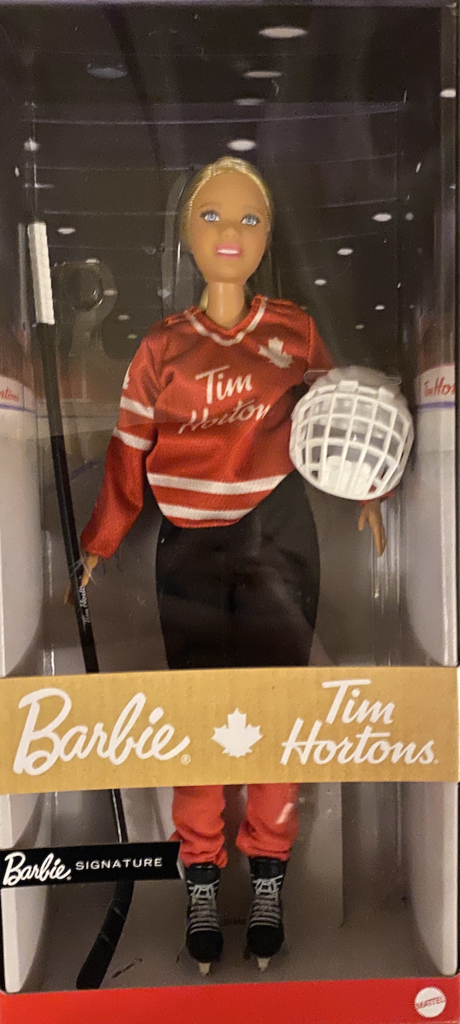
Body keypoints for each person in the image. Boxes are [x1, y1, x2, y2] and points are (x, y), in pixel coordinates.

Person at [74, 157, 386, 974]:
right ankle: (203, 877)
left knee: (277, 709)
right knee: (197, 719)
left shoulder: (293, 331)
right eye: (212, 216)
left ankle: (270, 870)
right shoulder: (161, 346)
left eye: (250, 219)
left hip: (278, 532)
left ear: (269, 235)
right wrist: (101, 541)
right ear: (186, 231)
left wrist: (371, 488)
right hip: (188, 541)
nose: (230, 233)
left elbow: (343, 416)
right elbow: (128, 453)